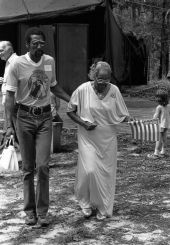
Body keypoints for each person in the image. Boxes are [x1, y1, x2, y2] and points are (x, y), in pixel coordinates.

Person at [5, 27, 70, 226]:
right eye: (35, 43)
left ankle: (42, 212)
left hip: (44, 119)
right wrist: (9, 126)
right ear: (27, 45)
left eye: (42, 43)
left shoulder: (49, 61)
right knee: (27, 167)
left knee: (42, 166)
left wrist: (72, 99)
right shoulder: (16, 64)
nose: (40, 46)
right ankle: (29, 211)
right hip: (23, 118)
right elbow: (9, 98)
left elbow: (53, 86)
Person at [67, 61, 131, 220]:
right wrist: (83, 123)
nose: (103, 82)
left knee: (105, 174)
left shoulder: (114, 90)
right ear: (93, 76)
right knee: (89, 170)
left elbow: (123, 114)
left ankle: (103, 207)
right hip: (87, 136)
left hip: (108, 138)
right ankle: (85, 201)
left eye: (107, 79)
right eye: (100, 79)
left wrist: (131, 120)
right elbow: (70, 111)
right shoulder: (82, 89)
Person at [0, 41, 19, 146]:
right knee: (8, 133)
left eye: (1, 50)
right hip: (9, 104)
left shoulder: (15, 62)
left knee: (14, 132)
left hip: (14, 105)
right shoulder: (8, 62)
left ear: (10, 49)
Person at [147, 88, 170, 159]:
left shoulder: (159, 107)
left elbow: (155, 117)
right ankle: (163, 152)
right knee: (164, 138)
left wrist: (150, 121)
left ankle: (156, 154)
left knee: (158, 139)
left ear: (159, 99)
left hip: (160, 125)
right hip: (166, 125)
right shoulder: (169, 106)